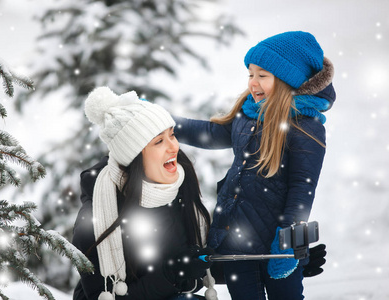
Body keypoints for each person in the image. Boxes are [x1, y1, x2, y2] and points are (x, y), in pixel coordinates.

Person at [173, 31, 336, 299]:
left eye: (263, 75)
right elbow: (211, 134)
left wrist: (287, 242)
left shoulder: (304, 127)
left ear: (287, 80)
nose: (253, 83)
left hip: (276, 247)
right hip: (237, 241)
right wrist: (163, 122)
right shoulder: (248, 113)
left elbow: (302, 188)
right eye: (250, 74)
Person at [72, 87, 218, 300]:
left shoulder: (179, 187)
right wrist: (172, 274)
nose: (173, 147)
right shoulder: (97, 215)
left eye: (172, 135)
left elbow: (189, 280)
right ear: (134, 157)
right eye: (159, 142)